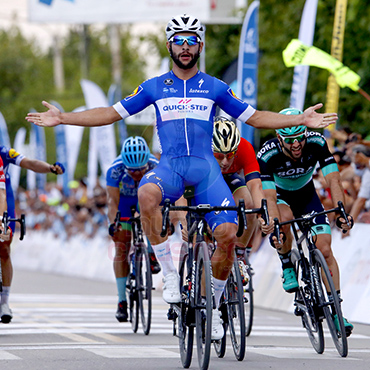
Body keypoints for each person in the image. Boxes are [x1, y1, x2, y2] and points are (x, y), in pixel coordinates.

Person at [26, 14, 338, 340]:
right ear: (168, 44)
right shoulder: (154, 87)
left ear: (200, 45)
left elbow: (256, 117)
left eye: (191, 40)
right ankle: (171, 275)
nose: (185, 47)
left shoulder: (215, 87)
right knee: (147, 195)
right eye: (179, 40)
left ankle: (213, 306)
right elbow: (109, 113)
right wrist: (64, 118)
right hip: (170, 169)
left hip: (207, 173)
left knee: (229, 235)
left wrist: (299, 118)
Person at [257, 107, 354, 336]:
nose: (296, 145)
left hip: (306, 193)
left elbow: (333, 180)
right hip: (280, 195)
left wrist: (340, 212)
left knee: (325, 249)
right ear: (279, 139)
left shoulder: (317, 142)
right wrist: (274, 226)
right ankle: (286, 262)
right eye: (290, 141)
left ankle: (337, 311)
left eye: (300, 138)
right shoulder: (267, 154)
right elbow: (269, 196)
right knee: (285, 220)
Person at [0, 145, 65, 323]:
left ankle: (4, 302)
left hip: (3, 201)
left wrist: (50, 168)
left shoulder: (3, 153)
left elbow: (29, 163)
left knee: (4, 248)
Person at [106, 136, 161, 322]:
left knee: (153, 216)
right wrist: (115, 223)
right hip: (124, 202)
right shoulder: (115, 170)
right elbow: (112, 202)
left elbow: (161, 199)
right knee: (121, 246)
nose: (137, 174)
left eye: (140, 170)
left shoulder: (155, 165)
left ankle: (152, 252)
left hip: (146, 199)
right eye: (132, 171)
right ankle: (122, 300)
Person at [212, 116, 270, 282]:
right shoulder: (200, 148)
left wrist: (262, 214)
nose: (225, 161)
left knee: (249, 203)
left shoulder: (244, 147)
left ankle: (240, 253)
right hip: (206, 180)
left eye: (230, 155)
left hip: (231, 179)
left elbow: (255, 185)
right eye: (219, 155)